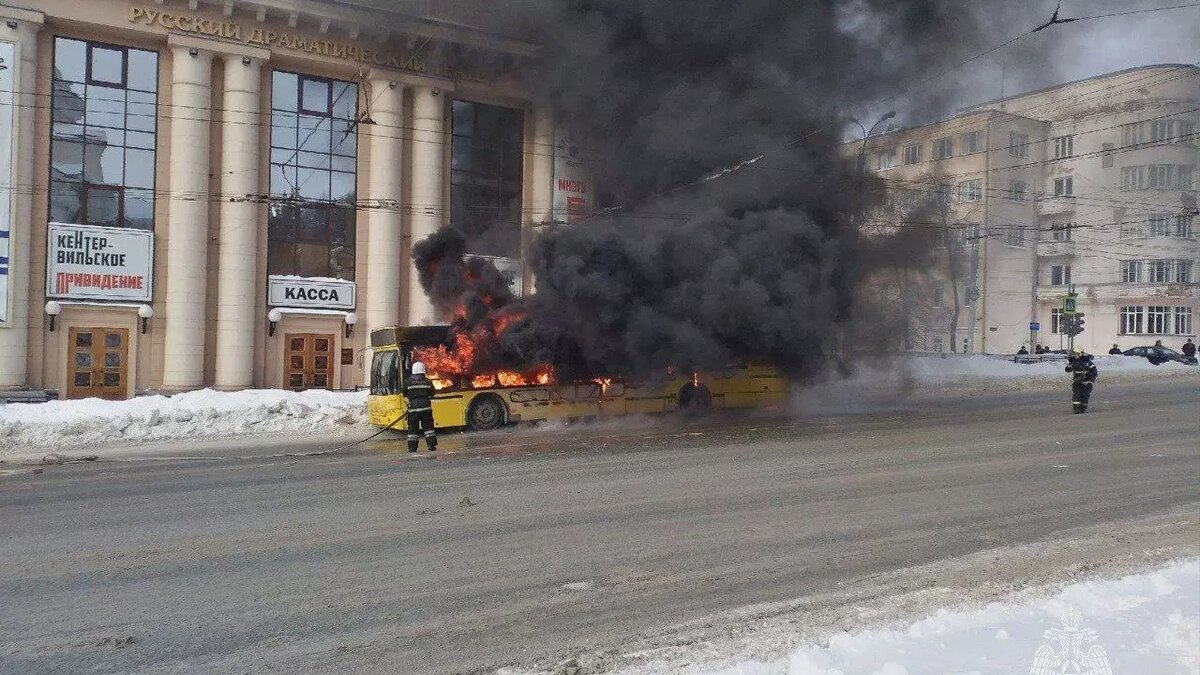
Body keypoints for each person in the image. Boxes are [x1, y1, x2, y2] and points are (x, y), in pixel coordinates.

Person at [404, 361, 437, 453]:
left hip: (413, 409)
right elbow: (433, 393)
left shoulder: (407, 382)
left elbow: (404, 393)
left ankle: (412, 448)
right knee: (428, 428)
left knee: (412, 429)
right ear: (423, 370)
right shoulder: (428, 381)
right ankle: (431, 446)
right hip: (426, 408)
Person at [1064, 348, 1099, 414]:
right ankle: (1076, 408)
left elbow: (1094, 372)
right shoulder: (1073, 362)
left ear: (1080, 354)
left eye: (1077, 354)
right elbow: (1067, 369)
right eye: (1074, 354)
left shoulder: (1088, 362)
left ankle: (1083, 407)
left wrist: (1090, 380)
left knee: (1085, 395)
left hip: (1087, 382)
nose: (1075, 355)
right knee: (1076, 395)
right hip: (1077, 381)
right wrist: (1068, 368)